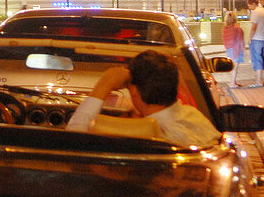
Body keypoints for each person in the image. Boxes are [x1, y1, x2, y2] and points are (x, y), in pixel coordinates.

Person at [65, 50, 220, 147]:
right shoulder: (195, 117)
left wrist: (105, 84)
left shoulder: (146, 134)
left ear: (134, 92)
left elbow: (74, 139)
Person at [246, 0, 264, 88]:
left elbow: (254, 27)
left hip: (256, 38)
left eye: (249, 6)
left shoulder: (255, 12)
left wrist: (250, 38)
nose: (249, 8)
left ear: (253, 4)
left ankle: (258, 81)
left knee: (257, 59)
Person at [222, 11, 245, 87]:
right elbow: (240, 40)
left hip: (228, 49)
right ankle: (232, 84)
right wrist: (243, 49)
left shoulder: (225, 29)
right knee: (235, 67)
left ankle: (233, 82)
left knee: (231, 66)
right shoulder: (237, 29)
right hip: (236, 49)